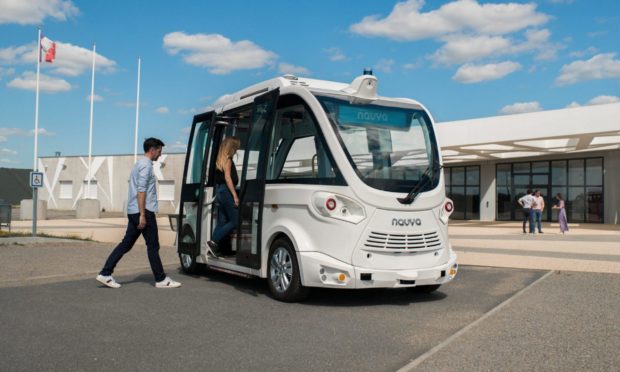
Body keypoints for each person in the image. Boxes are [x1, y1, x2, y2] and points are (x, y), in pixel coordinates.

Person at [96, 138, 181, 288]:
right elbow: (141, 191)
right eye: (160, 151)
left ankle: (105, 273)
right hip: (143, 211)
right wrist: (142, 214)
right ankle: (161, 279)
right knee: (153, 246)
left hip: (135, 210)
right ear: (152, 150)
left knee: (126, 244)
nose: (160, 155)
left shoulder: (139, 164)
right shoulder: (146, 166)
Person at [207, 136, 241, 258]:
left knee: (222, 222)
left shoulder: (220, 159)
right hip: (226, 192)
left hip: (220, 191)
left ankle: (214, 247)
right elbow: (228, 178)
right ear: (232, 147)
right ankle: (213, 242)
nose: (237, 150)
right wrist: (235, 195)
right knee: (235, 220)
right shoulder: (228, 159)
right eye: (236, 147)